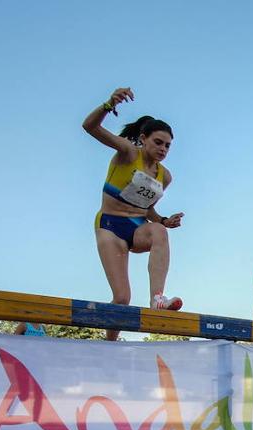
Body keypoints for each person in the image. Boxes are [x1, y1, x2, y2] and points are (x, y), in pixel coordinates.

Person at [82, 87, 185, 341]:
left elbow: (146, 208)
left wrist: (162, 220)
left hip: (138, 226)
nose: (163, 149)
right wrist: (109, 104)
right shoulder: (128, 153)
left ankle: (157, 298)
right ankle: (110, 344)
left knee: (159, 231)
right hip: (110, 225)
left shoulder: (165, 176)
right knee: (122, 298)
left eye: (168, 146)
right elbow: (90, 127)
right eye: (158, 142)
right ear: (143, 139)